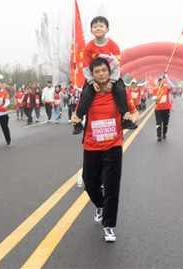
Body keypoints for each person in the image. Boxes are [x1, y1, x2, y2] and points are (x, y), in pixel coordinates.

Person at [72, 57, 139, 242]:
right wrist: (74, 119)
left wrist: (131, 118)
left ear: (109, 72)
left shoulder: (119, 93)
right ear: (92, 75)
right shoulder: (88, 94)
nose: (101, 74)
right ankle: (100, 205)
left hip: (113, 145)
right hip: (92, 145)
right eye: (97, 71)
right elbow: (77, 113)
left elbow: (135, 112)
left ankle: (109, 225)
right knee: (89, 182)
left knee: (111, 185)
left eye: (104, 70)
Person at [75, 16, 122, 122]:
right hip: (94, 79)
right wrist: (91, 81)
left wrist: (112, 81)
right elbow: (86, 67)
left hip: (111, 78)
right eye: (95, 26)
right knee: (86, 93)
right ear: (91, 31)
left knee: (120, 90)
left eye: (101, 26)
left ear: (107, 29)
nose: (98, 28)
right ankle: (78, 118)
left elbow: (117, 65)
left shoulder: (113, 46)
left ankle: (125, 117)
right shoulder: (89, 47)